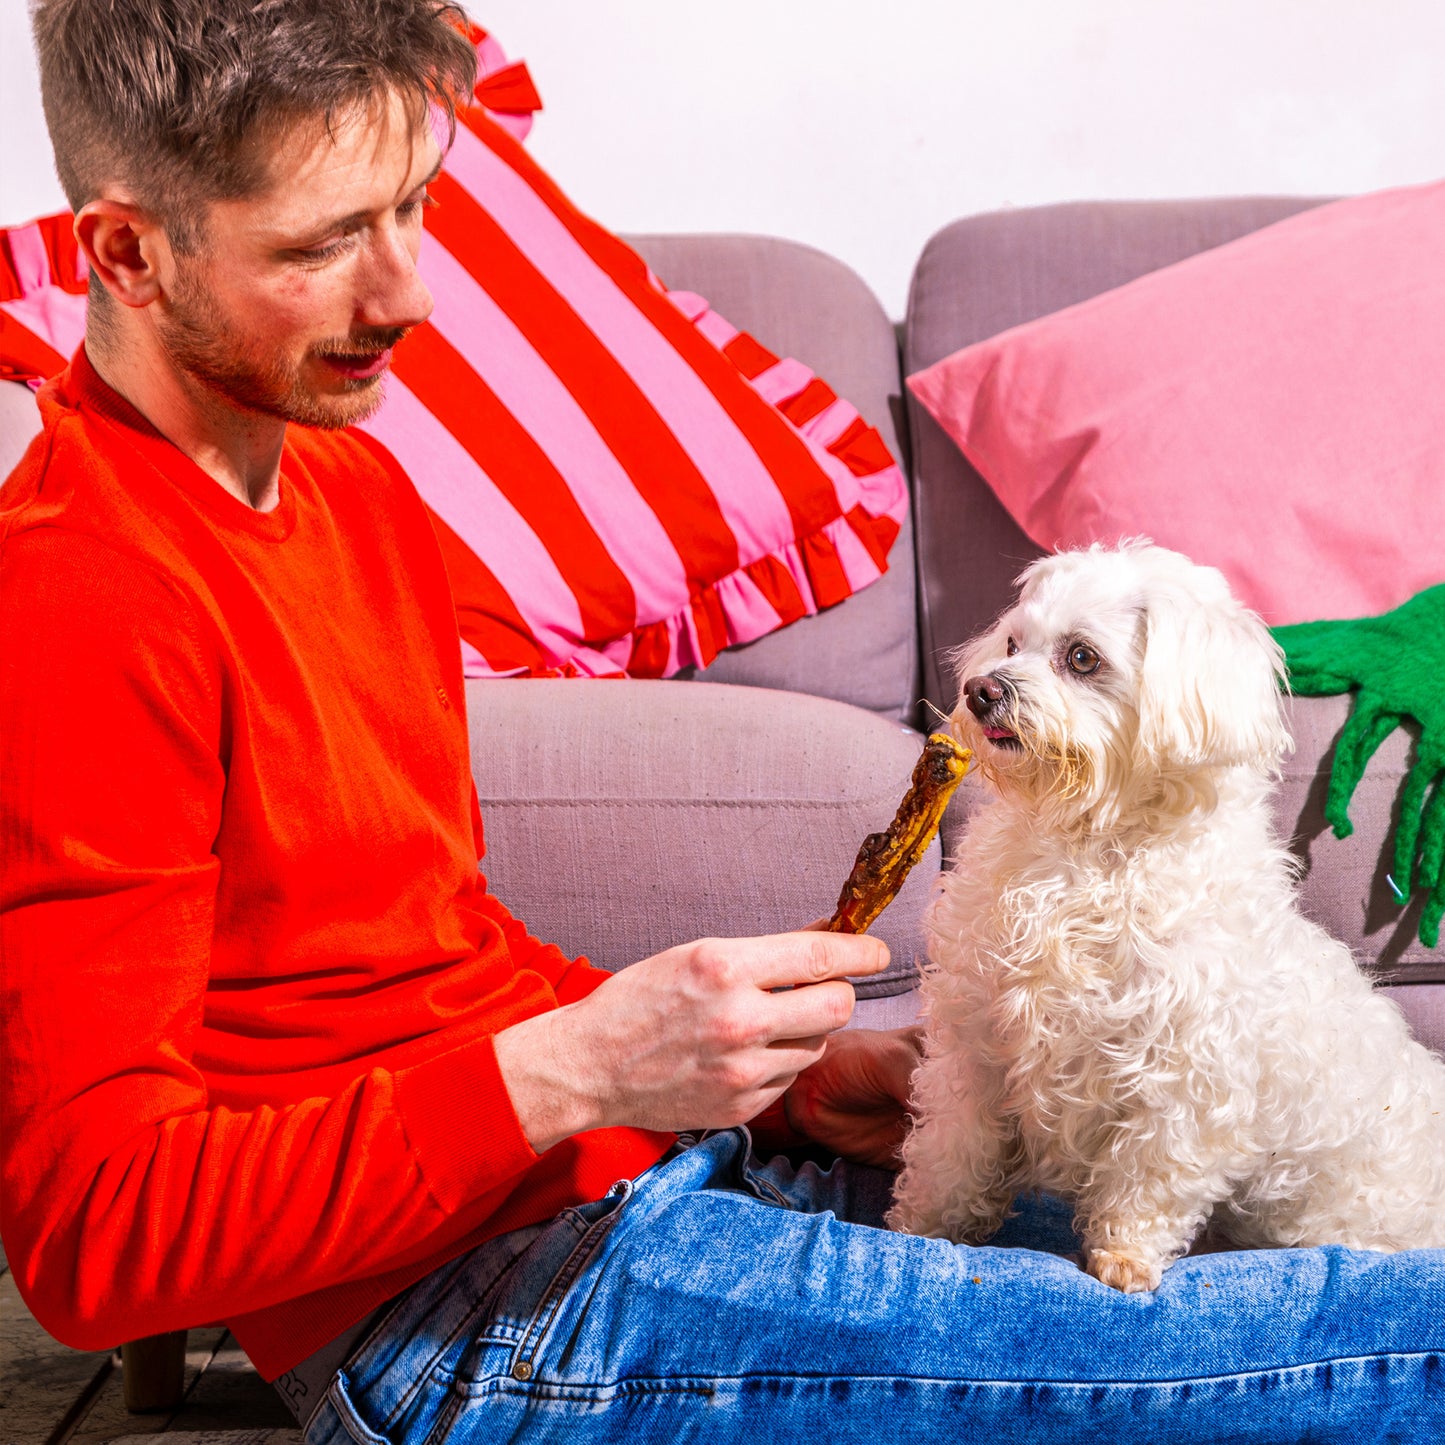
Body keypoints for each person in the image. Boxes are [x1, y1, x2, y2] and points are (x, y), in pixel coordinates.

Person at [0, 3, 1439, 1442]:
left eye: (415, 208)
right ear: (124, 252)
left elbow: (425, 949)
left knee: (1316, 1236)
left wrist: (777, 1095)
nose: (411, 293)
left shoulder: (351, 490)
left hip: (641, 1183)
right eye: (324, 244)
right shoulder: (80, 597)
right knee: (1392, 1341)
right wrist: (575, 1069)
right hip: (467, 1317)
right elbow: (90, 1245)